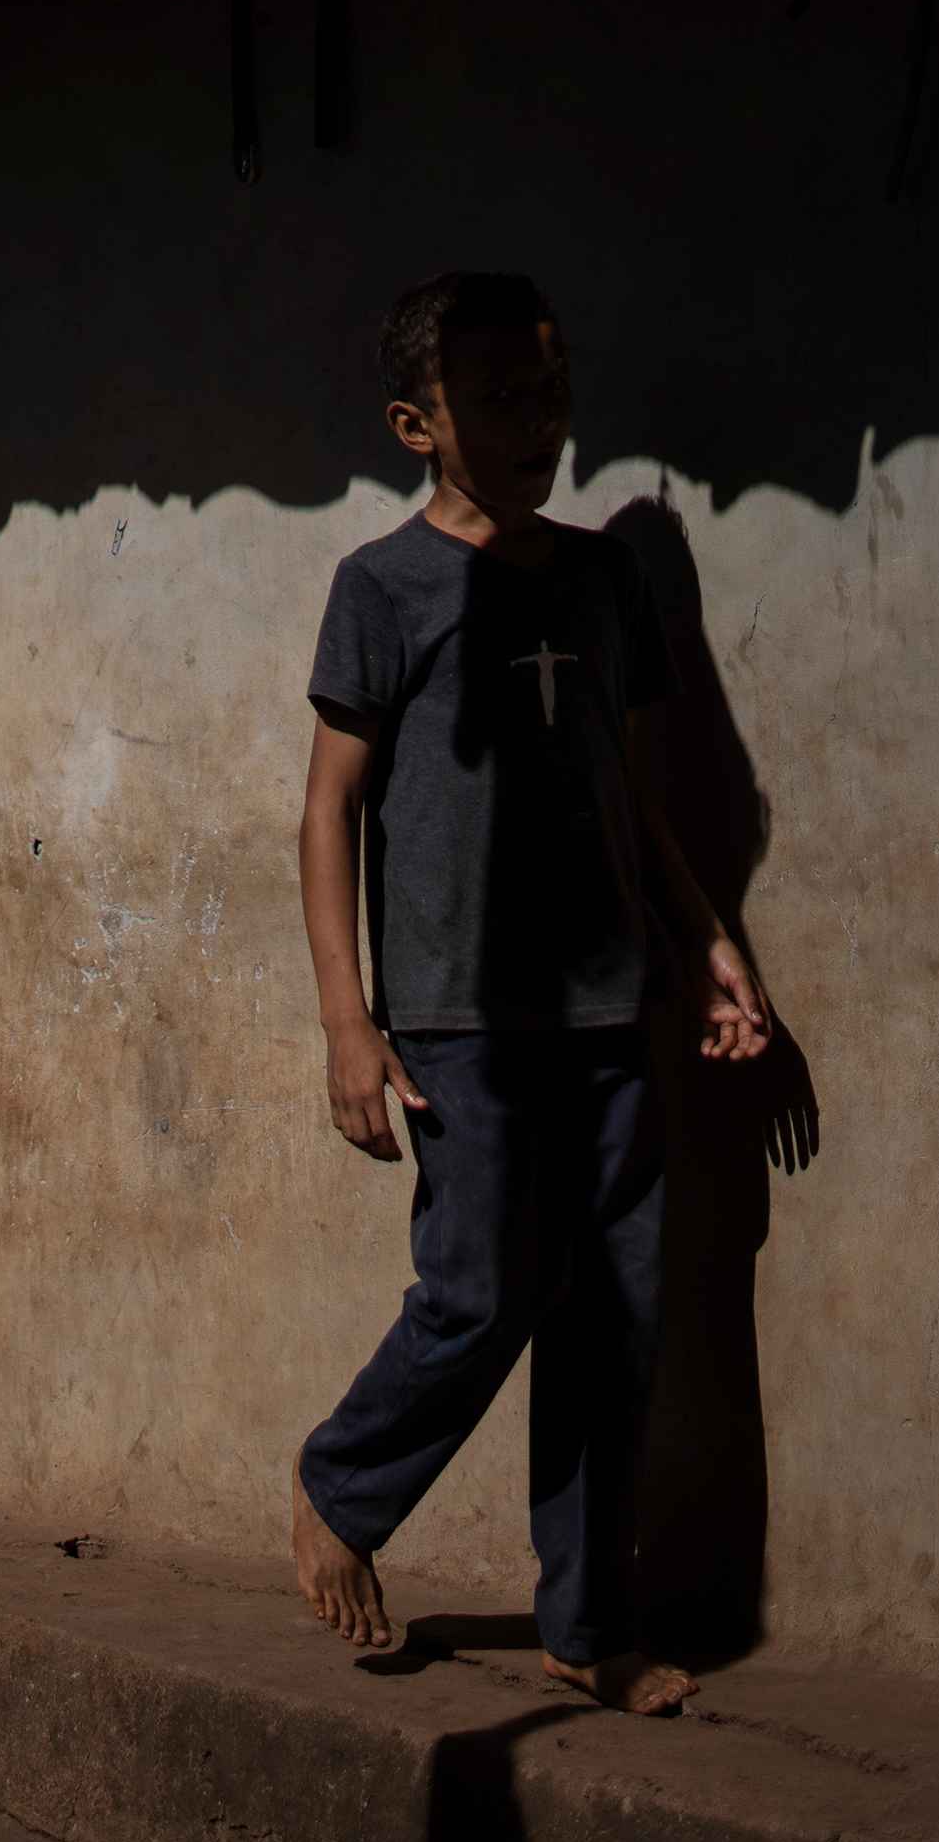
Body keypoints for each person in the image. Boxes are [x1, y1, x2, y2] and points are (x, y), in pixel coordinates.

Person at [287, 272, 768, 1716]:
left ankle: (587, 1622)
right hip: (456, 1012)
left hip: (611, 1008)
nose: (537, 421)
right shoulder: (382, 590)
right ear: (414, 424)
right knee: (482, 1288)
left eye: (551, 389)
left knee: (617, 1317)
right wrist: (347, 1023)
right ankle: (341, 1482)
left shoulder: (604, 578)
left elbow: (634, 786)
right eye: (498, 397)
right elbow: (328, 815)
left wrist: (706, 943)